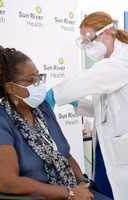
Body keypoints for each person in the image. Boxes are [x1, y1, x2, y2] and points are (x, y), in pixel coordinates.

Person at [0, 45, 96, 200]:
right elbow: (8, 183)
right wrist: (69, 193)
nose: (38, 83)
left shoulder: (42, 109)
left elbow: (65, 155)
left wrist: (81, 182)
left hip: (66, 191)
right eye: (30, 80)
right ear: (11, 87)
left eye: (39, 77)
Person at [46, 11, 128, 200]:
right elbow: (106, 111)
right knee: (105, 190)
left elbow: (90, 78)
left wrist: (56, 94)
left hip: (121, 147)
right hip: (110, 144)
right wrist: (79, 103)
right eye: (84, 42)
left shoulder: (122, 61)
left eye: (90, 39)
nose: (89, 46)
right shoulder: (110, 63)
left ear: (108, 32)